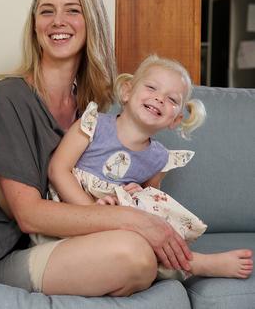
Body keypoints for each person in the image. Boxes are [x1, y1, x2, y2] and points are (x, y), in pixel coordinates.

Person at [0, 0, 196, 297]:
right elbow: (30, 215)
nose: (57, 21)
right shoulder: (8, 98)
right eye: (46, 11)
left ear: (91, 21)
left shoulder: (91, 112)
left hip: (62, 248)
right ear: (35, 25)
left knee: (139, 252)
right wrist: (135, 221)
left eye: (72, 10)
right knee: (133, 254)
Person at [47, 54, 252, 280]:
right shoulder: (93, 124)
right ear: (127, 92)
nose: (159, 99)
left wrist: (137, 193)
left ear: (175, 120)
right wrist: (94, 211)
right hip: (73, 210)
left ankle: (189, 261)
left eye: (172, 100)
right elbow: (58, 169)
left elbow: (150, 203)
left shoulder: (158, 158)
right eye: (152, 87)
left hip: (117, 222)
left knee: (149, 215)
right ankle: (193, 264)